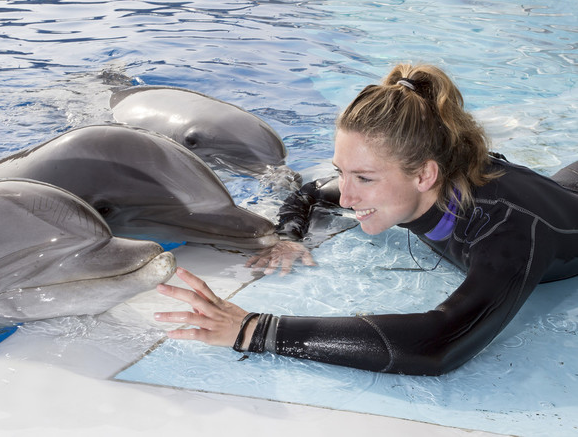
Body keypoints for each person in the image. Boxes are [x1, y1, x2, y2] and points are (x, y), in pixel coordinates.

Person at [153, 64, 578, 376]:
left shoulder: (507, 233)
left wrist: (254, 330)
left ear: (424, 174)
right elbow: (309, 194)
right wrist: (288, 236)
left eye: (364, 178)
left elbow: (440, 342)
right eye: (343, 172)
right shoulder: (415, 179)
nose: (348, 194)